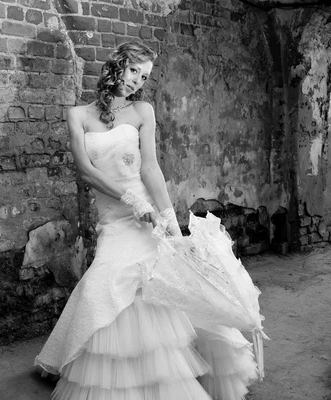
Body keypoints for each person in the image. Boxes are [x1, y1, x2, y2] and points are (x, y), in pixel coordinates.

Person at [34, 39, 258, 399]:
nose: (138, 80)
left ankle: (162, 376)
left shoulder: (142, 111)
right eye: (134, 70)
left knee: (157, 286)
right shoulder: (77, 115)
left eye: (145, 76)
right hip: (115, 215)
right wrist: (129, 200)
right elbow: (86, 172)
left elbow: (151, 168)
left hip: (149, 217)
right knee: (103, 286)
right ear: (117, 65)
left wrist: (169, 220)